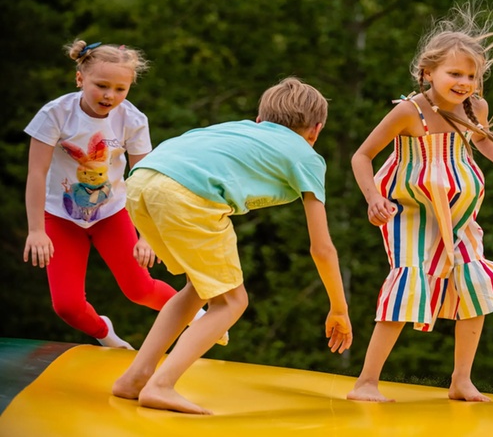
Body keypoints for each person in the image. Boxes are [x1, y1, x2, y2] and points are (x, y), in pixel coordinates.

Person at [111, 76, 352, 415]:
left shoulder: (239, 129)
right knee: (232, 302)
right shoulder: (307, 156)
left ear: (260, 120)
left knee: (198, 287)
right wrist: (339, 308)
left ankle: (135, 378)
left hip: (141, 181)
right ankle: (161, 385)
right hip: (185, 195)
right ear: (316, 130)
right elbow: (322, 248)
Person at [346, 0, 493, 403]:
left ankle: (461, 380)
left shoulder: (472, 107)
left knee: (473, 282)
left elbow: (479, 136)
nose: (463, 82)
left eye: (471, 76)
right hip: (410, 212)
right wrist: (373, 197)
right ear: (428, 72)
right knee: (409, 281)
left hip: (459, 212)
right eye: (454, 73)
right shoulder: (409, 112)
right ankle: (366, 382)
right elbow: (361, 155)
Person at [23, 39, 183, 350]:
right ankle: (105, 333)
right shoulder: (56, 114)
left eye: (120, 89)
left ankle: (199, 316)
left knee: (139, 290)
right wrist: (35, 230)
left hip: (112, 214)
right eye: (101, 85)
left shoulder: (132, 120)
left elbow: (145, 179)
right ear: (80, 78)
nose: (110, 95)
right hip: (60, 216)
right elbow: (37, 174)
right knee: (66, 307)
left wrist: (148, 235)